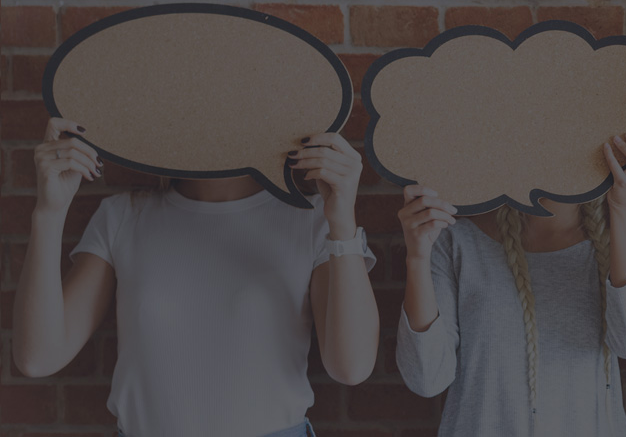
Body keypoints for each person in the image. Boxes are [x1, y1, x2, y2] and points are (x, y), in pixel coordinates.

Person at [14, 118, 379, 437]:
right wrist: (48, 211)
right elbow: (38, 357)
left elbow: (352, 367)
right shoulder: (123, 216)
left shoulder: (313, 220)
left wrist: (342, 220)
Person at [394, 133, 626, 436]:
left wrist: (625, 208)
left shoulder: (625, 248)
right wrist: (417, 257)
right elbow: (426, 378)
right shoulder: (454, 240)